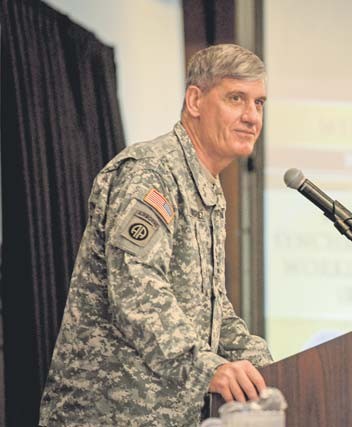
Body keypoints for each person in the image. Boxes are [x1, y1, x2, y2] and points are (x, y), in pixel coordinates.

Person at [39, 44, 273, 426]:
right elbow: (137, 291)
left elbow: (211, 308)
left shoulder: (207, 187)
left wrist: (270, 367)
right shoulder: (151, 173)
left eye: (259, 103)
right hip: (107, 415)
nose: (251, 116)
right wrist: (205, 367)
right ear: (195, 100)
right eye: (236, 99)